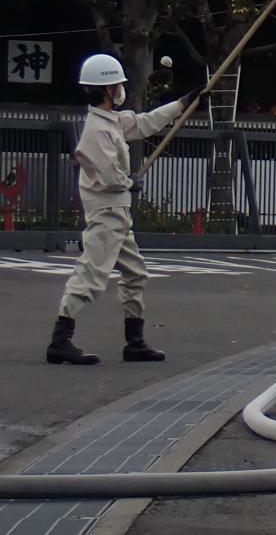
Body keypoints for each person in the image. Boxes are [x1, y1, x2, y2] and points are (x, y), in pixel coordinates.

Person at [47, 54, 196, 366]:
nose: (120, 90)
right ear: (106, 89)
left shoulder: (110, 121)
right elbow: (108, 176)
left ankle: (135, 343)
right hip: (107, 213)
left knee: (135, 273)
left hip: (117, 213)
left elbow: (144, 124)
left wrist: (183, 103)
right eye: (117, 85)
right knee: (91, 273)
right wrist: (128, 182)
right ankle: (60, 341)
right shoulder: (95, 130)